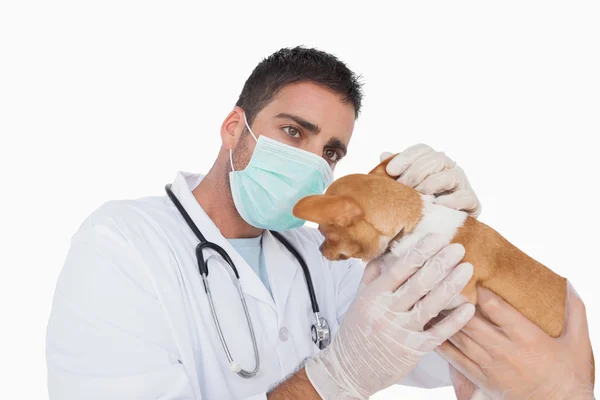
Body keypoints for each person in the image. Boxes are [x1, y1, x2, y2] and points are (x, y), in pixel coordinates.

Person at [45, 46, 595, 399]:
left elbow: (465, 352)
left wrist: (443, 233)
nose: (314, 162)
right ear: (234, 128)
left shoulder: (322, 259)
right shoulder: (120, 247)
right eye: (293, 132)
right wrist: (337, 379)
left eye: (331, 151)